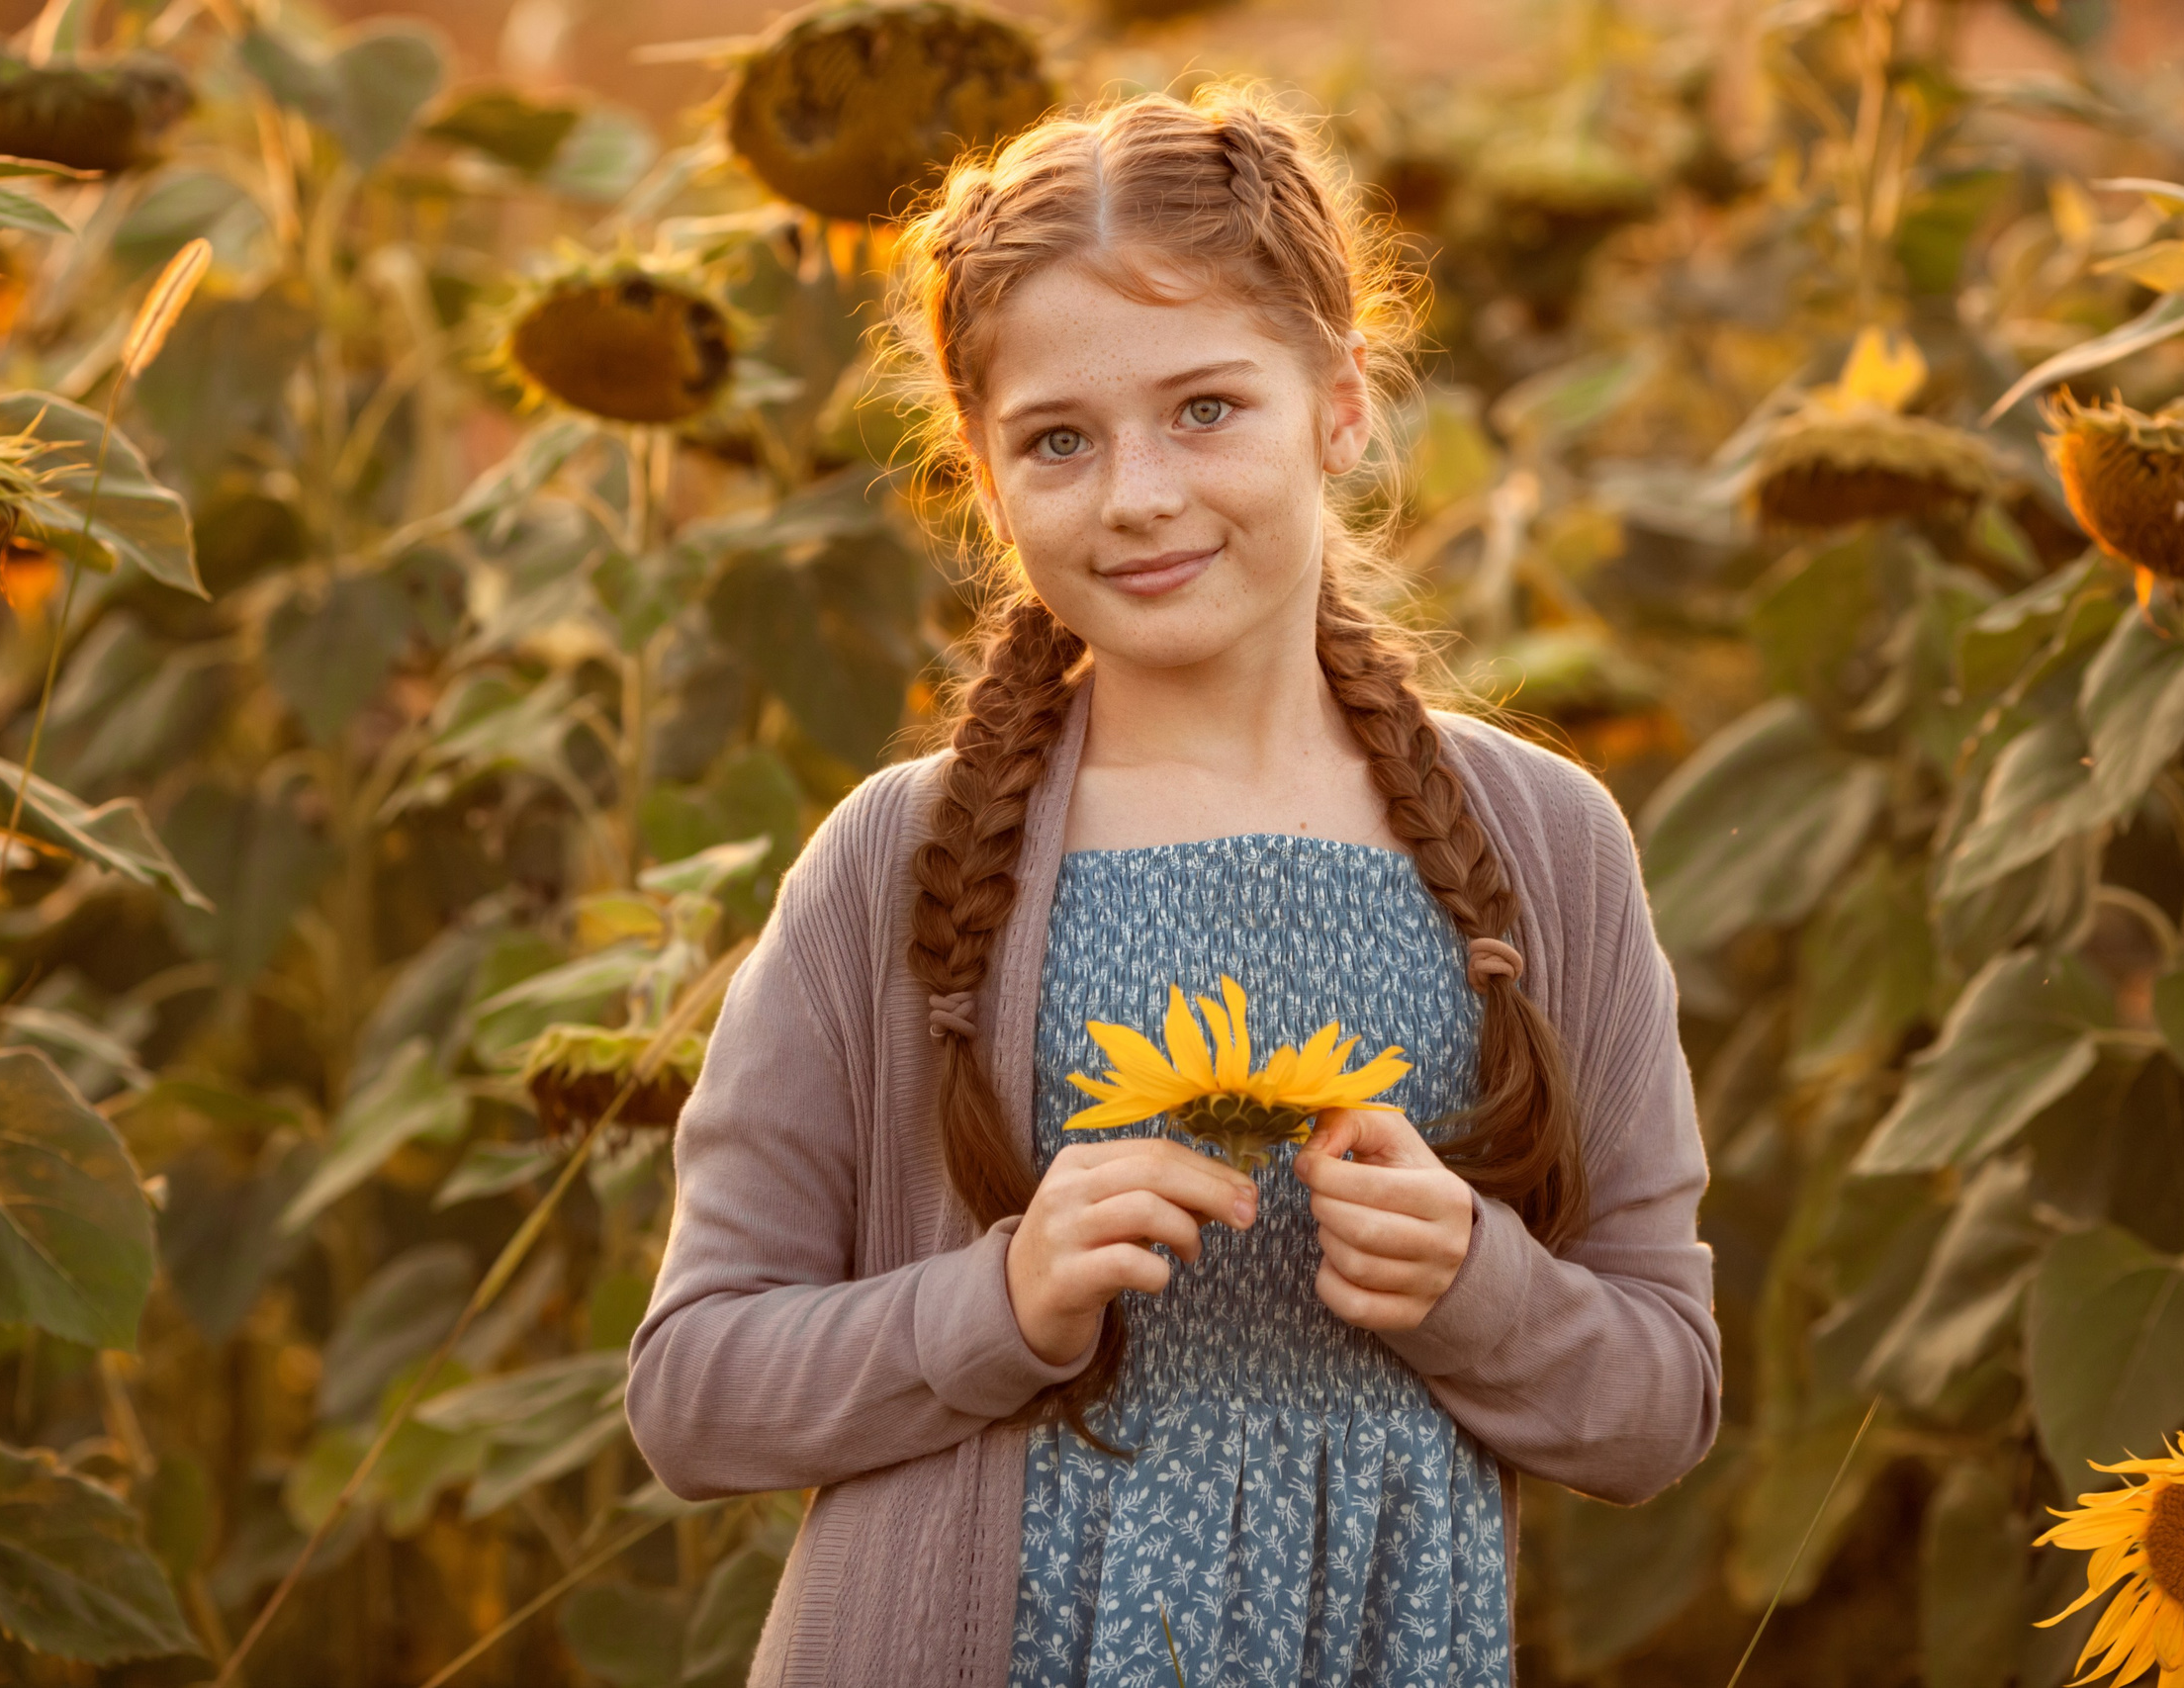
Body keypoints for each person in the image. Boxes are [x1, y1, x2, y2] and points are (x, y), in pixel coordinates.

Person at [625, 84, 1719, 1688]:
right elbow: (694, 1392)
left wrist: (1475, 1285)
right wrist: (1002, 1298)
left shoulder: (1545, 845)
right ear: (985, 482)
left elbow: (1659, 1405)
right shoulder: (904, 860)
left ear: (1341, 406)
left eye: (1207, 409)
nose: (1136, 493)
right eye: (1059, 440)